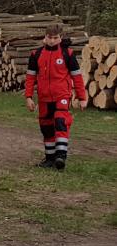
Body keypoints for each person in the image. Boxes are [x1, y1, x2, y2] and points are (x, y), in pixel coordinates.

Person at [24, 23, 87, 169]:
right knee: (46, 127)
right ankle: (49, 159)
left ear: (60, 38)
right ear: (44, 38)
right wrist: (28, 97)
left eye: (55, 38)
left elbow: (77, 77)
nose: (52, 40)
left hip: (62, 95)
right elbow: (30, 78)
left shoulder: (68, 54)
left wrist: (82, 98)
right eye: (49, 37)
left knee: (60, 121)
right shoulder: (36, 54)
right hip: (44, 98)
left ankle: (61, 156)